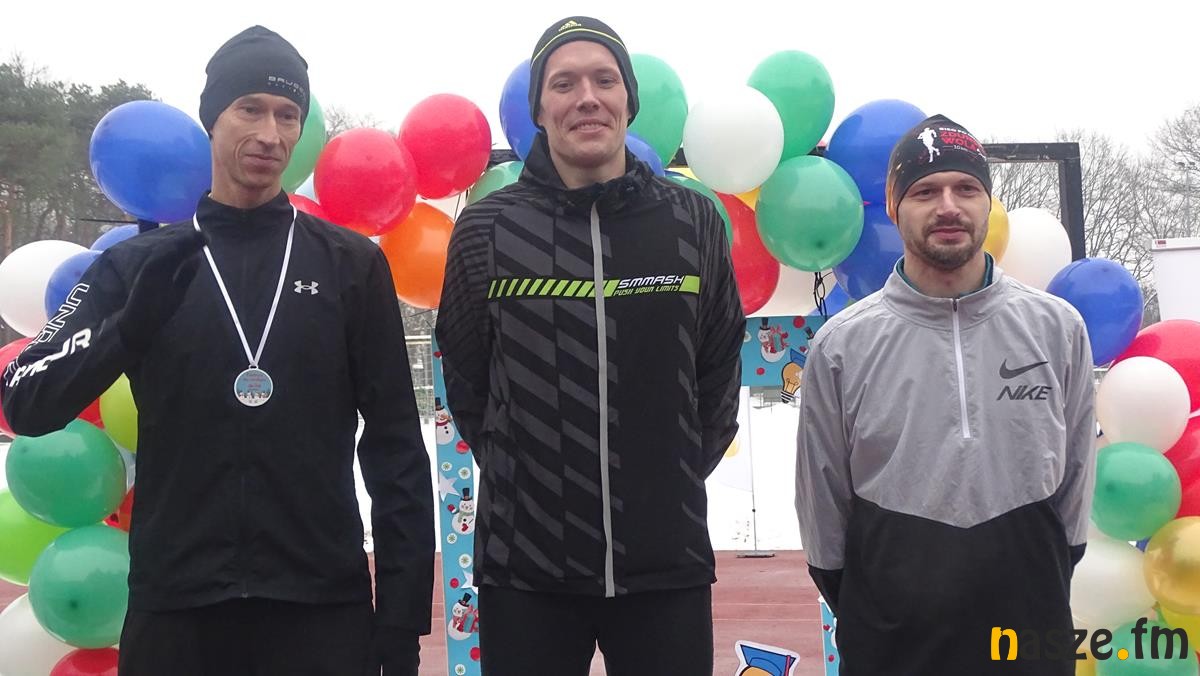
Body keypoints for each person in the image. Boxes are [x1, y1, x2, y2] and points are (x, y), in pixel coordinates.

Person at [1, 26, 433, 676]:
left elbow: (396, 445)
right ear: (212, 119)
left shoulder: (349, 265)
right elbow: (25, 401)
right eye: (249, 109)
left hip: (319, 607)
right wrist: (125, 331)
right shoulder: (139, 266)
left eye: (287, 115)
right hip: (177, 612)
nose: (270, 134)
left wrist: (400, 624)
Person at [435, 15, 745, 676]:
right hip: (527, 571)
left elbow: (719, 369)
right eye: (564, 83)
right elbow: (466, 377)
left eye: (605, 80)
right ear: (538, 110)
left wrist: (669, 479)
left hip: (666, 565)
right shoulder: (487, 229)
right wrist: (526, 478)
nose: (587, 98)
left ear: (629, 100)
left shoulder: (691, 220)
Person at [794, 115, 1095, 675]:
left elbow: (1075, 484)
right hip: (891, 644)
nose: (948, 206)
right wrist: (876, 603)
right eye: (925, 191)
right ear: (893, 206)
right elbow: (823, 512)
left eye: (966, 188)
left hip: (1029, 630)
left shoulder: (1057, 328)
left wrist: (1043, 570)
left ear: (988, 202)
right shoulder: (841, 345)